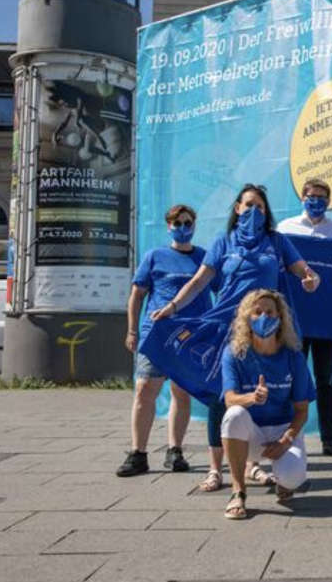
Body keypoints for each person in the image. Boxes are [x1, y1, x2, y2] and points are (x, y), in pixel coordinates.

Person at [151, 184, 320, 493]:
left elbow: (303, 270)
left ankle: (253, 465)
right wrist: (173, 306)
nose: (254, 211)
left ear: (266, 212)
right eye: (248, 205)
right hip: (226, 327)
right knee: (222, 399)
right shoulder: (223, 242)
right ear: (237, 208)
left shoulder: (276, 241)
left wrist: (310, 279)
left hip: (265, 327)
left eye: (260, 206)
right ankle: (217, 470)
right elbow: (201, 280)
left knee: (258, 392)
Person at [117, 204, 212, 477]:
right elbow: (137, 296)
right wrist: (132, 330)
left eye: (187, 223)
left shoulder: (204, 258)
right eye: (177, 223)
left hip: (191, 338)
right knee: (145, 390)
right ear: (168, 226)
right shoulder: (155, 256)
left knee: (181, 393)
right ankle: (138, 453)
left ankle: (175, 450)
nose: (182, 228)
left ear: (194, 225)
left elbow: (221, 290)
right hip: (156, 335)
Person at [220, 289, 316, 519]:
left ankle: (284, 483)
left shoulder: (293, 356)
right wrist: (252, 398)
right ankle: (238, 491)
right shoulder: (234, 354)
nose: (264, 317)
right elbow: (229, 399)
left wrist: (286, 440)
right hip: (251, 435)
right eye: (258, 312)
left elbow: (302, 410)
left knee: (293, 478)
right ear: (247, 318)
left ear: (280, 318)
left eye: (270, 312)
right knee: (233, 415)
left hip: (283, 432)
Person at [277, 177, 332, 458]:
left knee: (326, 381)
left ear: (329, 201)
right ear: (302, 198)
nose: (316, 201)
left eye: (322, 197)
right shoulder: (285, 230)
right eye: (311, 196)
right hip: (292, 319)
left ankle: (330, 441)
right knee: (289, 379)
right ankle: (285, 437)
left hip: (326, 319)